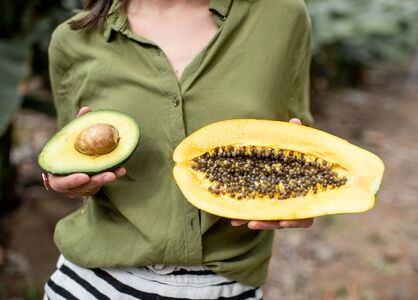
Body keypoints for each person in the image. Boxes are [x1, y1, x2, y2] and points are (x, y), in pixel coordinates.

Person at [43, 0, 314, 298]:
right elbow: (73, 158)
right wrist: (70, 183)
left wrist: (302, 197)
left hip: (225, 286)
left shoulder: (282, 17)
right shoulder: (71, 40)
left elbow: (296, 145)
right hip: (93, 284)